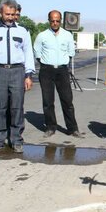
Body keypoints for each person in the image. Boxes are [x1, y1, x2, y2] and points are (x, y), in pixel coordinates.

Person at [0, 0, 35, 153]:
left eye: (12, 14)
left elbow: (28, 53)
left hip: (18, 71)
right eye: (7, 14)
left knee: (17, 107)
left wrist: (28, 75)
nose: (10, 17)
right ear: (0, 13)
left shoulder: (23, 31)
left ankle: (16, 139)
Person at [33, 10, 81, 138]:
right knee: (48, 101)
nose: (55, 23)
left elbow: (71, 53)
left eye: (57, 20)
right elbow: (37, 53)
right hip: (46, 71)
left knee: (67, 101)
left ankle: (72, 129)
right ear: (49, 20)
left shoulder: (67, 35)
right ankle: (50, 127)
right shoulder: (42, 36)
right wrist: (46, 64)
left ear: (61, 21)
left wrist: (61, 64)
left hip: (62, 71)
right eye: (52, 20)